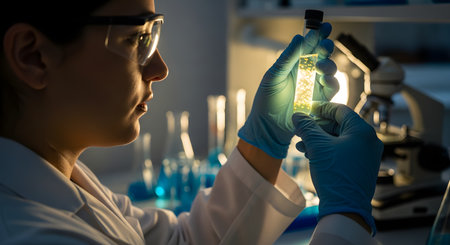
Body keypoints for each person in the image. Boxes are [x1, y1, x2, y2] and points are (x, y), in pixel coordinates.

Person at [0, 0, 383, 244]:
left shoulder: (69, 184)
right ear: (33, 56)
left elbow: (184, 242)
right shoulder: (31, 233)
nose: (160, 68)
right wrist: (346, 219)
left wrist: (264, 140)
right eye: (137, 38)